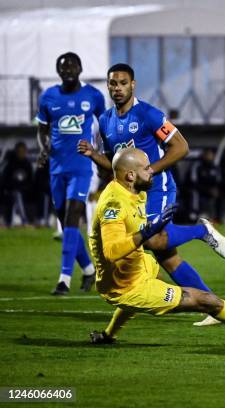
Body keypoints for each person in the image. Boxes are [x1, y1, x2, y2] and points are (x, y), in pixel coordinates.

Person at [88, 148, 225, 343]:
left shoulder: (132, 191)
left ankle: (108, 336)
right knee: (207, 301)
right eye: (146, 168)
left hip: (136, 268)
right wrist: (147, 231)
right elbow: (111, 252)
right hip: (126, 286)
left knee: (155, 280)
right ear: (130, 175)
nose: (151, 170)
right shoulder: (115, 205)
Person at [78, 63, 225, 326]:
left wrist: (150, 171)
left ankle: (201, 231)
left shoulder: (148, 114)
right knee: (167, 257)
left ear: (133, 85)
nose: (117, 88)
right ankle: (211, 304)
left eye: (123, 83)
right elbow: (116, 166)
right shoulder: (105, 121)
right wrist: (94, 156)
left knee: (154, 241)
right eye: (113, 83)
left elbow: (181, 147)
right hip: (135, 194)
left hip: (158, 187)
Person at [36, 52, 105, 295]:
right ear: (58, 71)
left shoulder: (93, 96)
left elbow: (104, 127)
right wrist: (44, 150)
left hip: (82, 166)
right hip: (57, 168)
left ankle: (64, 279)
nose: (68, 70)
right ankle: (88, 269)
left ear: (80, 68)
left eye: (72, 66)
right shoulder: (48, 97)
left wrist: (103, 157)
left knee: (74, 215)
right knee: (67, 222)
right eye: (63, 67)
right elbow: (42, 129)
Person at [1, 142, 33, 227]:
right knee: (16, 195)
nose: (21, 153)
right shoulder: (10, 164)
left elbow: (30, 181)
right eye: (20, 151)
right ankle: (23, 221)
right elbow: (5, 180)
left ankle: (13, 221)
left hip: (25, 192)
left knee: (18, 195)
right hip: (11, 191)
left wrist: (24, 188)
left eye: (23, 151)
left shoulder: (27, 164)